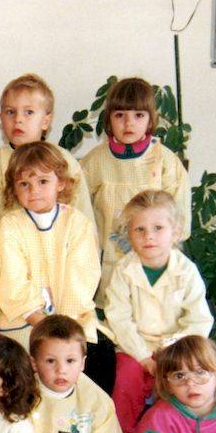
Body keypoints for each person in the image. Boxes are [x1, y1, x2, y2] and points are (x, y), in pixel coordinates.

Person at [104, 190, 213, 433]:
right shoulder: (124, 270)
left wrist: (171, 350)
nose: (148, 237)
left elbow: (199, 320)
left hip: (177, 346)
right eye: (139, 230)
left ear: (175, 233)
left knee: (191, 381)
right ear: (129, 235)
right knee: (126, 379)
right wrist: (142, 356)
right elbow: (119, 318)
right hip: (135, 345)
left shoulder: (186, 271)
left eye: (158, 228)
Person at [0, 141, 116, 394]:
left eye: (42, 181)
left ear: (60, 182)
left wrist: (62, 329)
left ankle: (88, 415)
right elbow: (12, 281)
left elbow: (82, 278)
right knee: (24, 365)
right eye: (24, 184)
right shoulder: (9, 226)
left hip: (71, 320)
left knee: (101, 353)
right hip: (25, 320)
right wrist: (42, 323)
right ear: (13, 188)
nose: (33, 191)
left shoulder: (77, 223)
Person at [81, 77, 190, 304]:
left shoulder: (165, 162)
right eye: (120, 115)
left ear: (150, 120)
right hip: (108, 261)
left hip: (154, 258)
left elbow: (180, 218)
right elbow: (78, 209)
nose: (128, 123)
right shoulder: (94, 162)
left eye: (138, 115)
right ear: (109, 120)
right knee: (114, 310)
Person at [0, 73, 93, 227]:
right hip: (9, 241)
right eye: (10, 112)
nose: (18, 119)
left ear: (46, 121)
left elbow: (84, 220)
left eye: (29, 112)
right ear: (1, 118)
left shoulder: (64, 161)